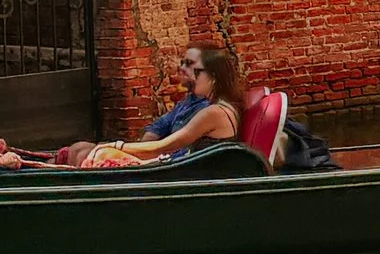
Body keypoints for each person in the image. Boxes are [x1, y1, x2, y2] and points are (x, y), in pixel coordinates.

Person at [16, 44, 246, 170]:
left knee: (95, 154)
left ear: (213, 77)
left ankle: (33, 172)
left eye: (192, 66)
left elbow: (166, 146)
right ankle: (31, 169)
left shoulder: (213, 112)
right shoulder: (198, 104)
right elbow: (159, 132)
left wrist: (118, 147)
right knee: (80, 148)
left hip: (177, 170)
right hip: (172, 164)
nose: (182, 69)